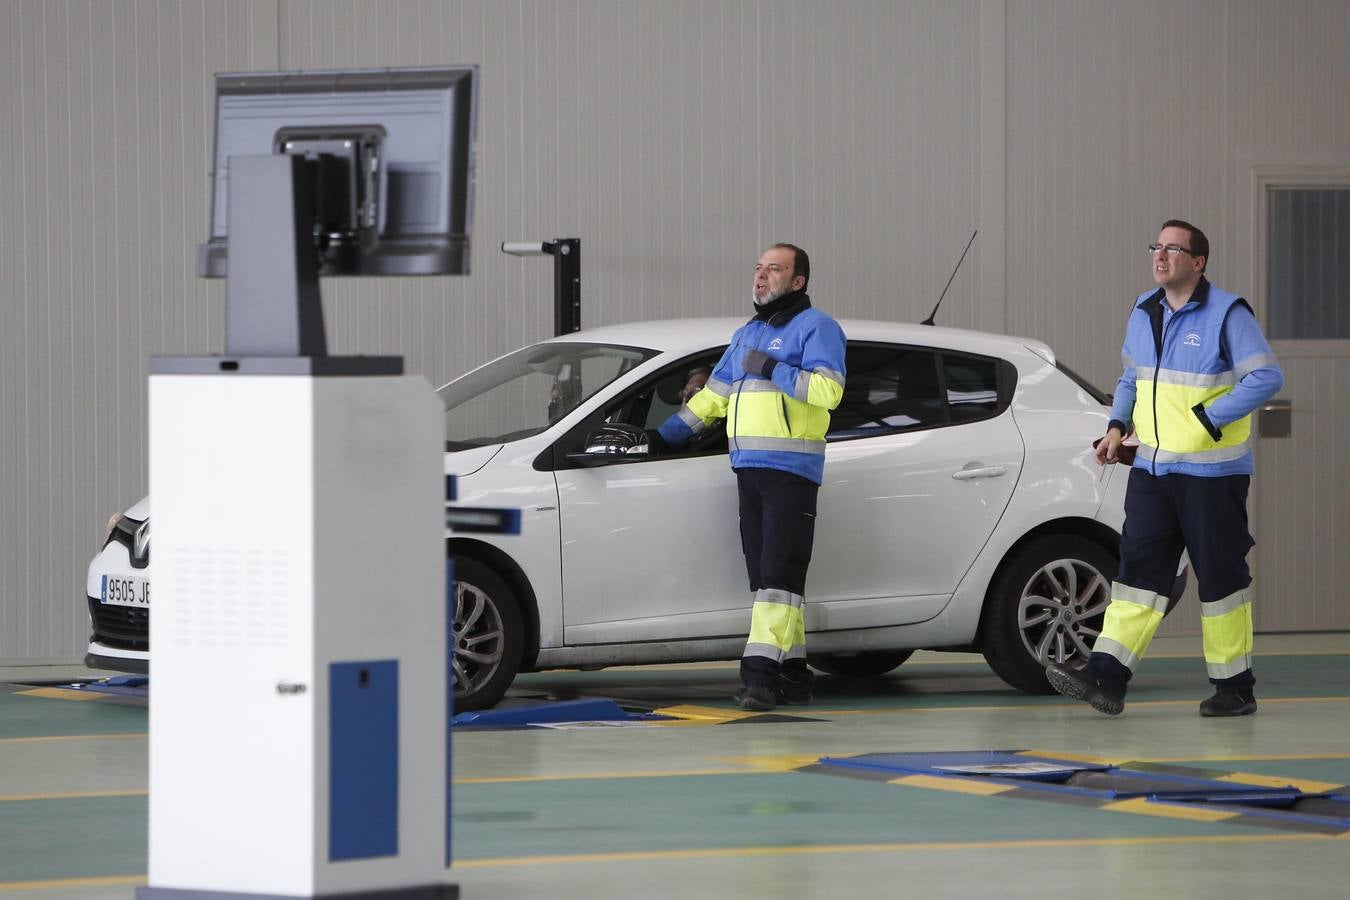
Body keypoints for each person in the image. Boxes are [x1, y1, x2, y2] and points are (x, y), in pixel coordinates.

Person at [1047, 220, 1283, 717]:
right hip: (1152, 471)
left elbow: (1266, 377)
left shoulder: (1227, 313)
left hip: (1211, 476)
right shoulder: (1143, 309)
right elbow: (1132, 377)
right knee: (1137, 576)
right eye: (1157, 246)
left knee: (1221, 582)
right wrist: (1115, 427)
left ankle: (1234, 687)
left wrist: (1210, 417)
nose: (1161, 255)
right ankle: (1106, 676)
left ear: (1198, 263)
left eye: (1174, 249)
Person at [649, 243, 846, 711]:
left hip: (790, 472)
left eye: (773, 269)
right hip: (749, 470)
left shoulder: (817, 327)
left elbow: (829, 390)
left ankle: (760, 677)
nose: (760, 276)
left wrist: (772, 367)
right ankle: (794, 674)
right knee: (767, 578)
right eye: (757, 268)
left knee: (779, 574)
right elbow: (714, 397)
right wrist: (664, 438)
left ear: (798, 282)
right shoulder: (745, 334)